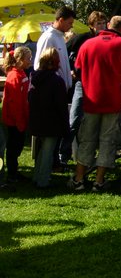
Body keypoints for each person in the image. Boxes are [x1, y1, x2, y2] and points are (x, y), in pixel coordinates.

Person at [69, 16, 121, 191]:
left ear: (108, 25)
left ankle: (78, 179)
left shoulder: (88, 44)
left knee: (87, 139)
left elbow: (77, 68)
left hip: (91, 99)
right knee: (108, 140)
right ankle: (99, 181)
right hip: (114, 100)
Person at [61, 10, 107, 166]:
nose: (101, 26)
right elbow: (63, 51)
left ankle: (91, 155)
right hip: (82, 83)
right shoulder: (82, 38)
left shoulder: (108, 39)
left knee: (96, 123)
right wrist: (70, 69)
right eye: (98, 23)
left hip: (100, 84)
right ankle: (64, 154)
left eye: (103, 23)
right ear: (91, 25)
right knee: (74, 120)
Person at [29, 47, 69, 189]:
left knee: (41, 150)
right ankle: (43, 180)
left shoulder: (34, 78)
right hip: (52, 120)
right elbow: (61, 105)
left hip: (37, 119)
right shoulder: (56, 81)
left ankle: (37, 176)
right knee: (48, 151)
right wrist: (65, 124)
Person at [1, 47, 32, 183]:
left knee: (17, 145)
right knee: (14, 146)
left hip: (20, 117)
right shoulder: (15, 75)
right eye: (28, 58)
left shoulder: (20, 73)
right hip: (14, 119)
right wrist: (19, 121)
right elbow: (14, 101)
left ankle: (14, 172)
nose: (30, 61)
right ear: (20, 59)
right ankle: (12, 174)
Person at [34, 6, 76, 92]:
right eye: (69, 23)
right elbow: (40, 66)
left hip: (60, 89)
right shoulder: (48, 38)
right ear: (61, 20)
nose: (71, 26)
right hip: (51, 90)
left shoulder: (60, 37)